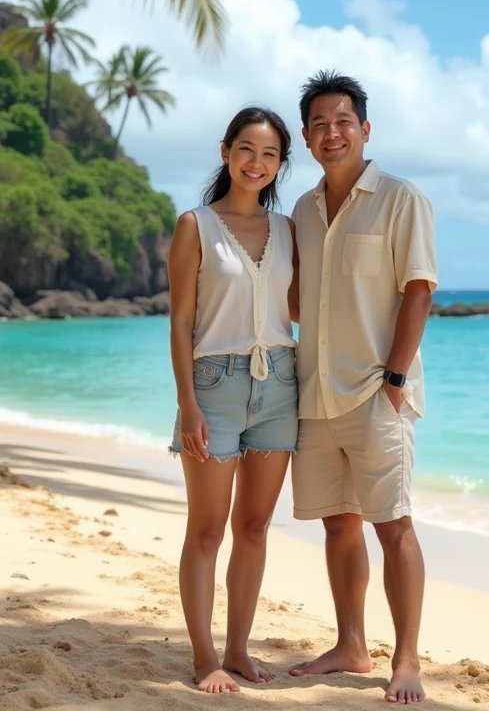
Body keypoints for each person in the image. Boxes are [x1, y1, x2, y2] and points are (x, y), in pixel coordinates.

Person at [290, 70, 437, 706]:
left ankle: (405, 659)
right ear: (305, 136)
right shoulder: (300, 208)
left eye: (343, 121)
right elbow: (297, 298)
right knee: (338, 526)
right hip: (315, 394)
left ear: (365, 129)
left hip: (378, 392)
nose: (332, 132)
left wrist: (396, 381)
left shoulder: (401, 198)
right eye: (320, 124)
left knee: (394, 526)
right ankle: (351, 644)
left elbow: (419, 289)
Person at [168, 106, 298, 695]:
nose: (257, 162)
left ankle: (240, 649)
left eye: (270, 154)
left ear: (280, 164)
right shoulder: (195, 224)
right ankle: (204, 656)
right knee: (206, 531)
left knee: (255, 527)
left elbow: (298, 308)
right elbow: (180, 321)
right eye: (247, 149)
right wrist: (187, 403)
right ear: (226, 152)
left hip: (280, 386)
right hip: (214, 387)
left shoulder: (289, 229)